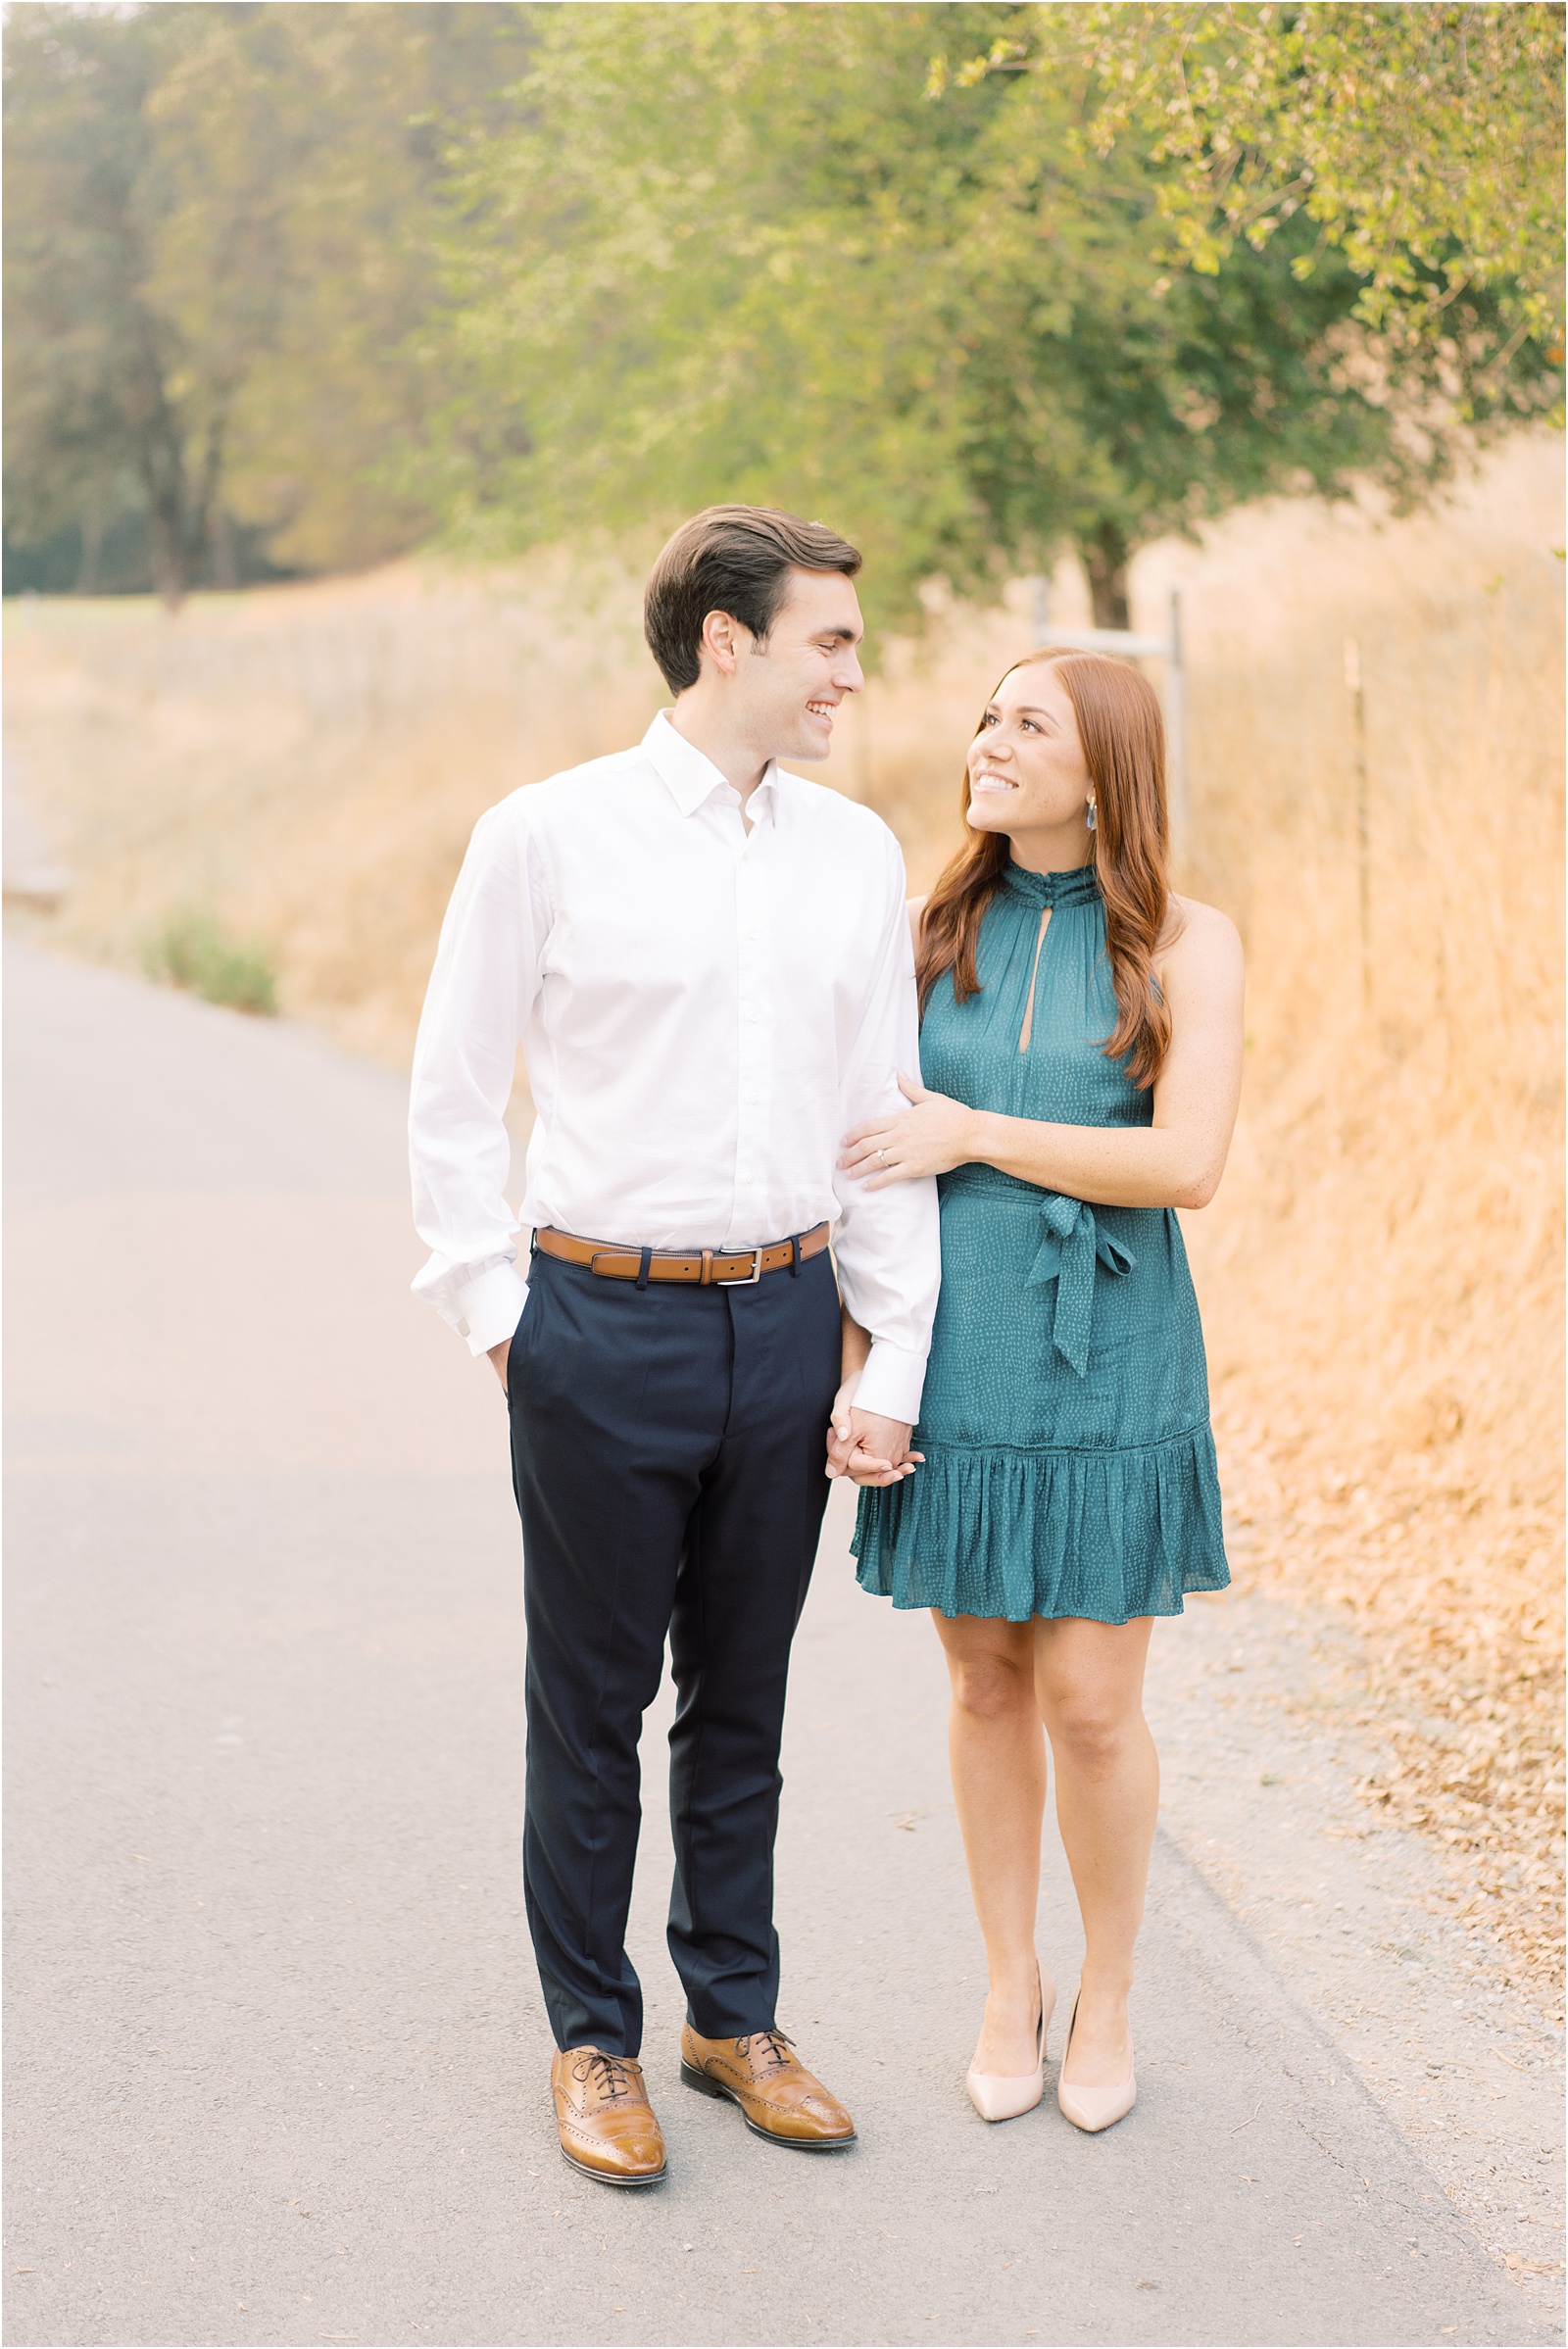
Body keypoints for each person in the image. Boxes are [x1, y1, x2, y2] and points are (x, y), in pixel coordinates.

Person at [409, 506, 940, 2188]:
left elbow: (881, 1119)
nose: (854, 672)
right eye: (831, 643)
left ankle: (734, 2017)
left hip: (788, 1319)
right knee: (588, 1706)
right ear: (730, 642)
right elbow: (449, 1093)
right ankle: (594, 2039)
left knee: (747, 1699)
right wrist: (504, 1320)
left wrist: (886, 1359)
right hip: (597, 1319)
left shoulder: (855, 851)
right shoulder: (545, 835)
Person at [835, 649, 1243, 2133]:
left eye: (1029, 724)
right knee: (981, 1678)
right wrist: (861, 1360)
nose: (988, 742)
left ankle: (1112, 1991)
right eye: (988, 716)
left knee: (1086, 1698)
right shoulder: (923, 926)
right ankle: (1009, 1981)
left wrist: (976, 1134)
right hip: (953, 1353)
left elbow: (1185, 1164)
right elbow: (866, 1150)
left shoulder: (1187, 942)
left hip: (1114, 1351)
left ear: (1104, 765)